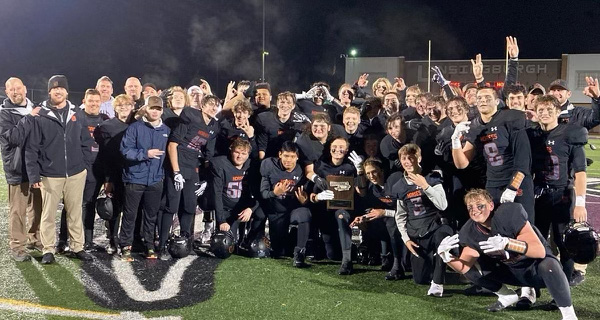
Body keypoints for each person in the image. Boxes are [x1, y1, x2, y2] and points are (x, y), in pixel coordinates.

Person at [438, 189, 577, 319]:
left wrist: (508, 243)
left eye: (480, 206)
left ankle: (568, 314)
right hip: (511, 272)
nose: (474, 210)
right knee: (472, 269)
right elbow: (464, 267)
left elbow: (539, 252)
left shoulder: (508, 214)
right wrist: (446, 257)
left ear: (491, 205)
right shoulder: (469, 231)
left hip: (535, 270)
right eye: (470, 207)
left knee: (549, 264)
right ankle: (505, 295)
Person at [24, 75, 94, 264]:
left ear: (66, 91)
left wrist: (85, 166)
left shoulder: (76, 112)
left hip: (76, 172)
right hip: (49, 174)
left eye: (61, 88)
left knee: (75, 212)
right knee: (48, 214)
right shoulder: (40, 114)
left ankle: (77, 247)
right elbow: (32, 147)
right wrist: (34, 174)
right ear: (49, 91)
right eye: (54, 88)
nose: (58, 91)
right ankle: (48, 250)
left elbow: (86, 141)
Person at [527, 95, 588, 293]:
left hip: (562, 195)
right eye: (541, 110)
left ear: (558, 110)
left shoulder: (570, 134)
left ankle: (562, 289)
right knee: (537, 240)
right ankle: (534, 287)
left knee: (564, 244)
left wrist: (580, 202)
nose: (545, 113)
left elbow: (580, 172)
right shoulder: (533, 134)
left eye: (549, 109)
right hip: (539, 196)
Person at [452, 86, 535, 223]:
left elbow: (523, 159)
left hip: (516, 182)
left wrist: (513, 187)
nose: (483, 101)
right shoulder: (474, 126)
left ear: (497, 101)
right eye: (479, 98)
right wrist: (455, 140)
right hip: (493, 184)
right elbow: (461, 164)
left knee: (524, 228)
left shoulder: (510, 118)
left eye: (487, 98)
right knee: (496, 228)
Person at [387, 144, 450, 296]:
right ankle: (438, 266)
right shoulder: (398, 186)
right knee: (420, 279)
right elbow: (400, 215)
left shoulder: (432, 176)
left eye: (411, 157)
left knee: (444, 236)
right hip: (416, 232)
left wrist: (426, 186)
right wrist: (406, 239)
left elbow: (443, 205)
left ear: (419, 158)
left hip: (434, 228)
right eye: (404, 158)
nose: (408, 161)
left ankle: (437, 283)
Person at [119, 96, 170, 261]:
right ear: (146, 109)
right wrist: (145, 154)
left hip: (155, 180)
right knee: (130, 214)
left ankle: (149, 244)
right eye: (152, 108)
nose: (155, 111)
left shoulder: (166, 130)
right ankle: (126, 246)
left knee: (151, 215)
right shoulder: (135, 128)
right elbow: (125, 150)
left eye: (158, 109)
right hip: (135, 178)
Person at [57, 89, 108, 252]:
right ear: (84, 101)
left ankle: (87, 240)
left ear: (101, 102)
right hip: (77, 168)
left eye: (96, 101)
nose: (93, 104)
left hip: (96, 169)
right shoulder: (76, 117)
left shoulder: (105, 119)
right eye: (90, 100)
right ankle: (63, 240)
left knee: (89, 205)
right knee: (70, 205)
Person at [308, 136, 366, 275]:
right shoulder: (321, 166)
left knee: (341, 215)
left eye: (342, 147)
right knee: (332, 254)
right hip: (325, 212)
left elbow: (362, 192)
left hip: (344, 210)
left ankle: (347, 261)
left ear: (346, 150)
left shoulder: (351, 167)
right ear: (329, 148)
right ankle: (344, 249)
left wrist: (360, 171)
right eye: (335, 146)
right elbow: (310, 195)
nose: (337, 150)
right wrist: (318, 196)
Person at [0, 77, 42, 261]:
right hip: (17, 167)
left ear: (25, 89)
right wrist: (30, 118)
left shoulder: (36, 108)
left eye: (18, 88)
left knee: (38, 207)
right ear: (6, 92)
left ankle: (35, 238)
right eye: (11, 90)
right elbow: (15, 138)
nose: (15, 92)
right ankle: (17, 245)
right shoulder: (4, 114)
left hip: (37, 168)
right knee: (18, 210)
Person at [351, 159, 408, 280]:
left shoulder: (395, 180)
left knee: (391, 223)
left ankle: (398, 265)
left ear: (381, 170)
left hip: (408, 220)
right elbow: (375, 211)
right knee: (372, 223)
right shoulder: (373, 189)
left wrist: (384, 212)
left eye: (374, 172)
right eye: (368, 173)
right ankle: (382, 256)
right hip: (390, 219)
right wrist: (363, 218)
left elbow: (408, 211)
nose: (371, 176)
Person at [95, 94, 135, 254]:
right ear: (115, 108)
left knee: (131, 208)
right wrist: (107, 178)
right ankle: (113, 239)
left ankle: (130, 239)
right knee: (114, 208)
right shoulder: (107, 126)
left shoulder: (137, 125)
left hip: (133, 172)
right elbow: (105, 155)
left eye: (127, 105)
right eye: (120, 106)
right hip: (115, 172)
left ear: (132, 107)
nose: (124, 108)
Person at [260, 141, 311, 266]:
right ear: (280, 154)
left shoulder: (301, 170)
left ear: (297, 157)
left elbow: (307, 194)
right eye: (286, 156)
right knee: (279, 252)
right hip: (277, 212)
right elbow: (264, 194)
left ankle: (300, 254)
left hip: (294, 210)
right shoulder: (268, 164)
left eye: (292, 157)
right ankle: (292, 238)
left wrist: (305, 201)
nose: (288, 160)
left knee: (304, 213)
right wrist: (275, 192)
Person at [209, 138, 265, 248]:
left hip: (244, 208)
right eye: (237, 152)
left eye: (243, 153)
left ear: (248, 154)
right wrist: (221, 220)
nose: (240, 156)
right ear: (231, 151)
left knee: (261, 212)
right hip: (227, 208)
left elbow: (260, 193)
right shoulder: (220, 165)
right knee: (226, 244)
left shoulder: (252, 166)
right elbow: (217, 194)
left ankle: (251, 237)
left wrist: (251, 209)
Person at [255, 91, 308, 159]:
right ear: (277, 104)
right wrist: (262, 163)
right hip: (270, 157)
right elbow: (262, 145)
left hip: (290, 158)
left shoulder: (300, 121)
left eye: (288, 102)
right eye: (282, 102)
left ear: (293, 106)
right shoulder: (265, 119)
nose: (285, 105)